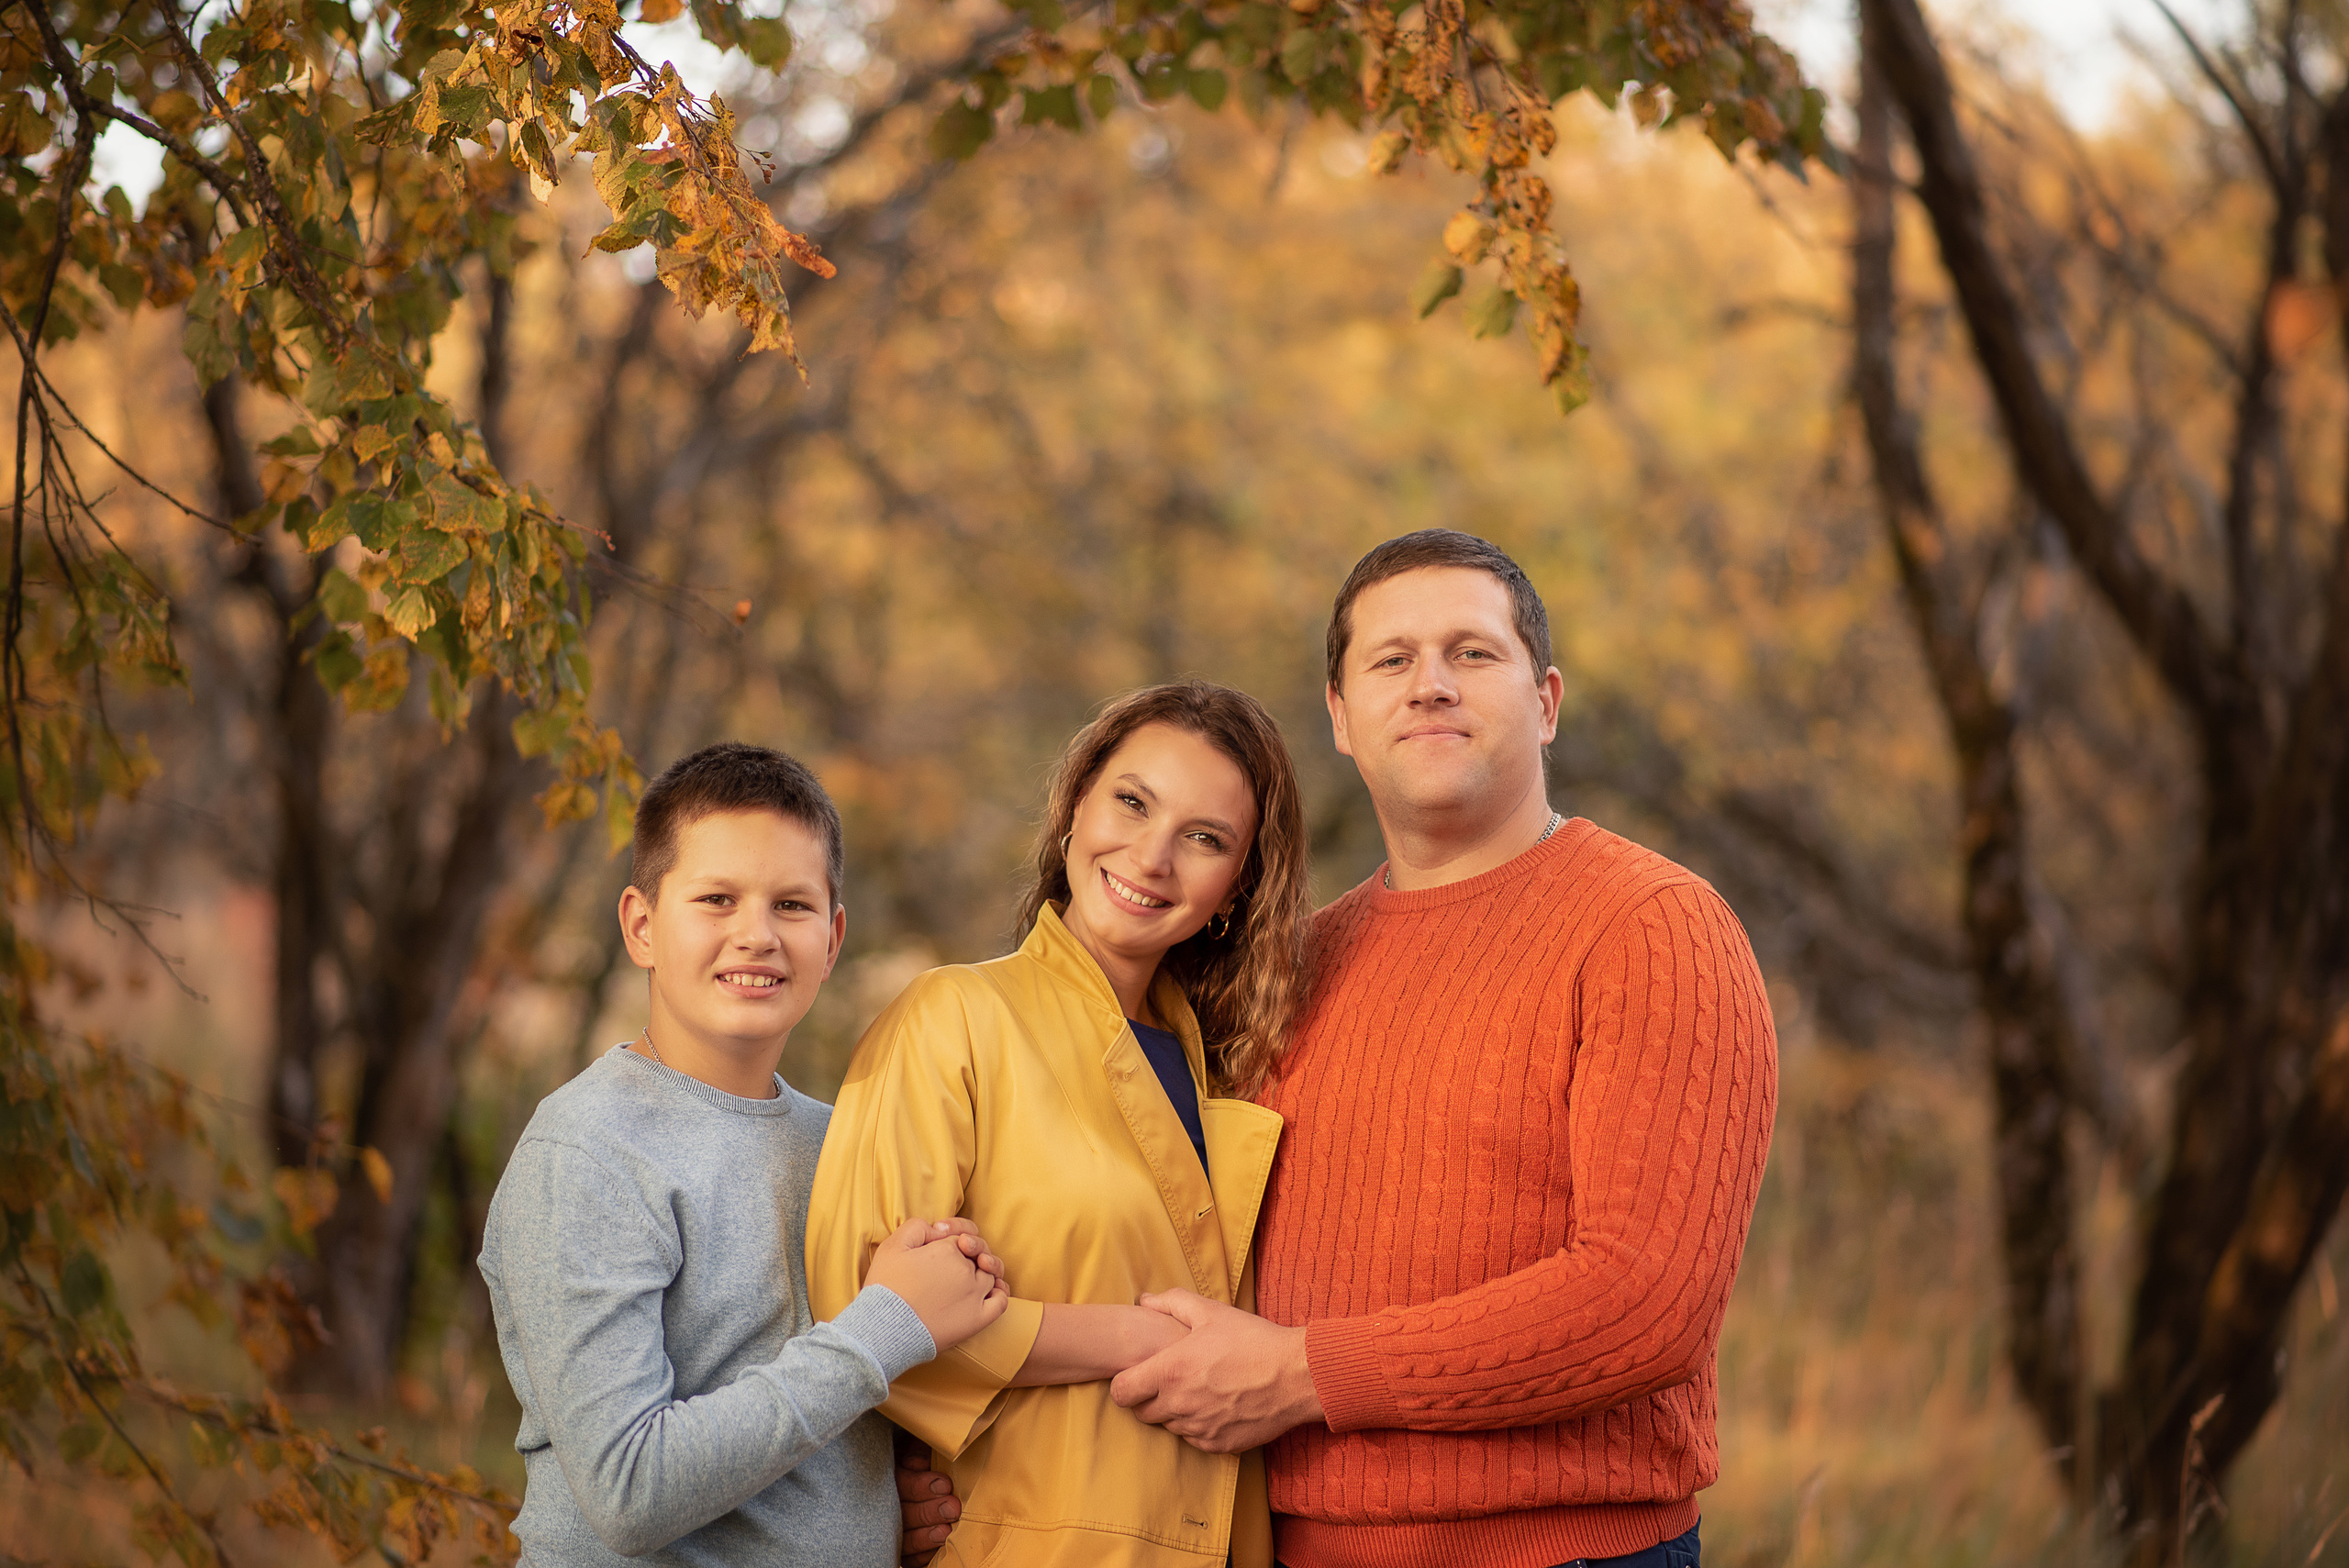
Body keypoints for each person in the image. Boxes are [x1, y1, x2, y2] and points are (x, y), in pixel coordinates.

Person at [1104, 531, 1780, 1568]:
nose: (1429, 685)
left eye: (1471, 653)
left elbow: (1644, 1304)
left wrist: (1302, 1373)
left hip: (1559, 1553)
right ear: (1339, 715)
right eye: (1391, 659)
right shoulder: (1291, 965)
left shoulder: (1651, 927)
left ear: (1544, 699)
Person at [807, 681, 1315, 1568]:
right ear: (1077, 805)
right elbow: (867, 1316)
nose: (1153, 855)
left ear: (1237, 887)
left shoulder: (1230, 1071)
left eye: (1205, 838)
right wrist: (1148, 1339)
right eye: (1132, 801)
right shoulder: (953, 1016)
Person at [478, 742, 1009, 1567]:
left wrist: (876, 1501)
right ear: (642, 926)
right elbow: (628, 1487)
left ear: (832, 941)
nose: (755, 934)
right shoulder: (588, 1150)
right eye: (717, 898)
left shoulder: (846, 1140)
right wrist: (885, 1328)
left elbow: (819, 1403)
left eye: (792, 905)